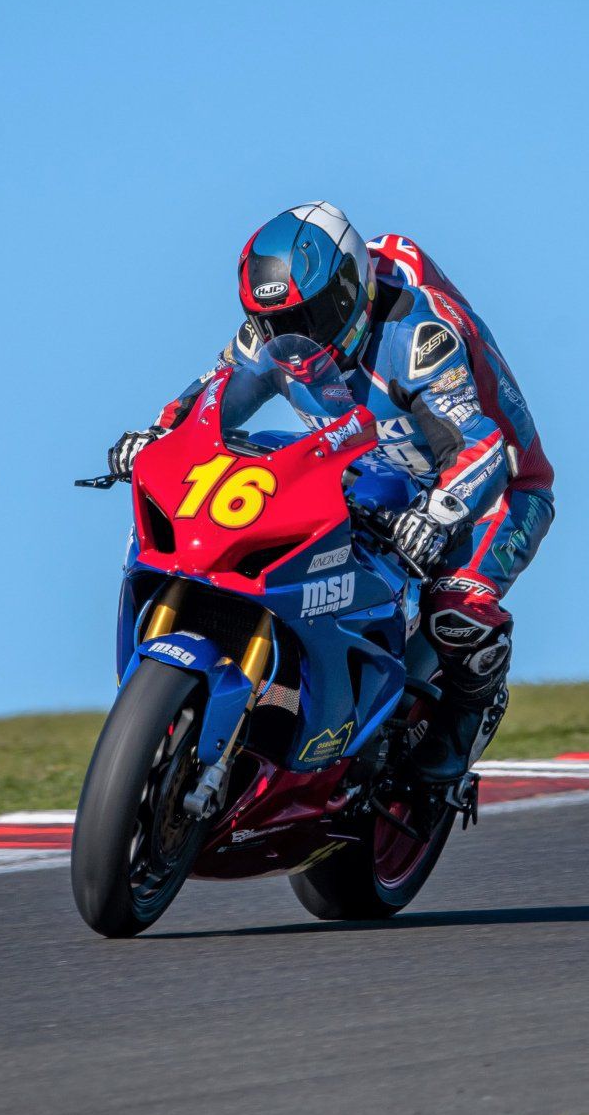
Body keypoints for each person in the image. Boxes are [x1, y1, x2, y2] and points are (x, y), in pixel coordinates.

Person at [108, 202, 555, 781]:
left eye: (310, 317)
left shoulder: (417, 337)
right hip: (374, 475)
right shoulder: (269, 340)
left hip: (493, 490)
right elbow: (210, 399)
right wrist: (155, 437)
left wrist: (439, 514)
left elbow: (481, 444)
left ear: (351, 291)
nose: (294, 340)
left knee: (454, 610)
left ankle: (472, 709)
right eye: (275, 324)